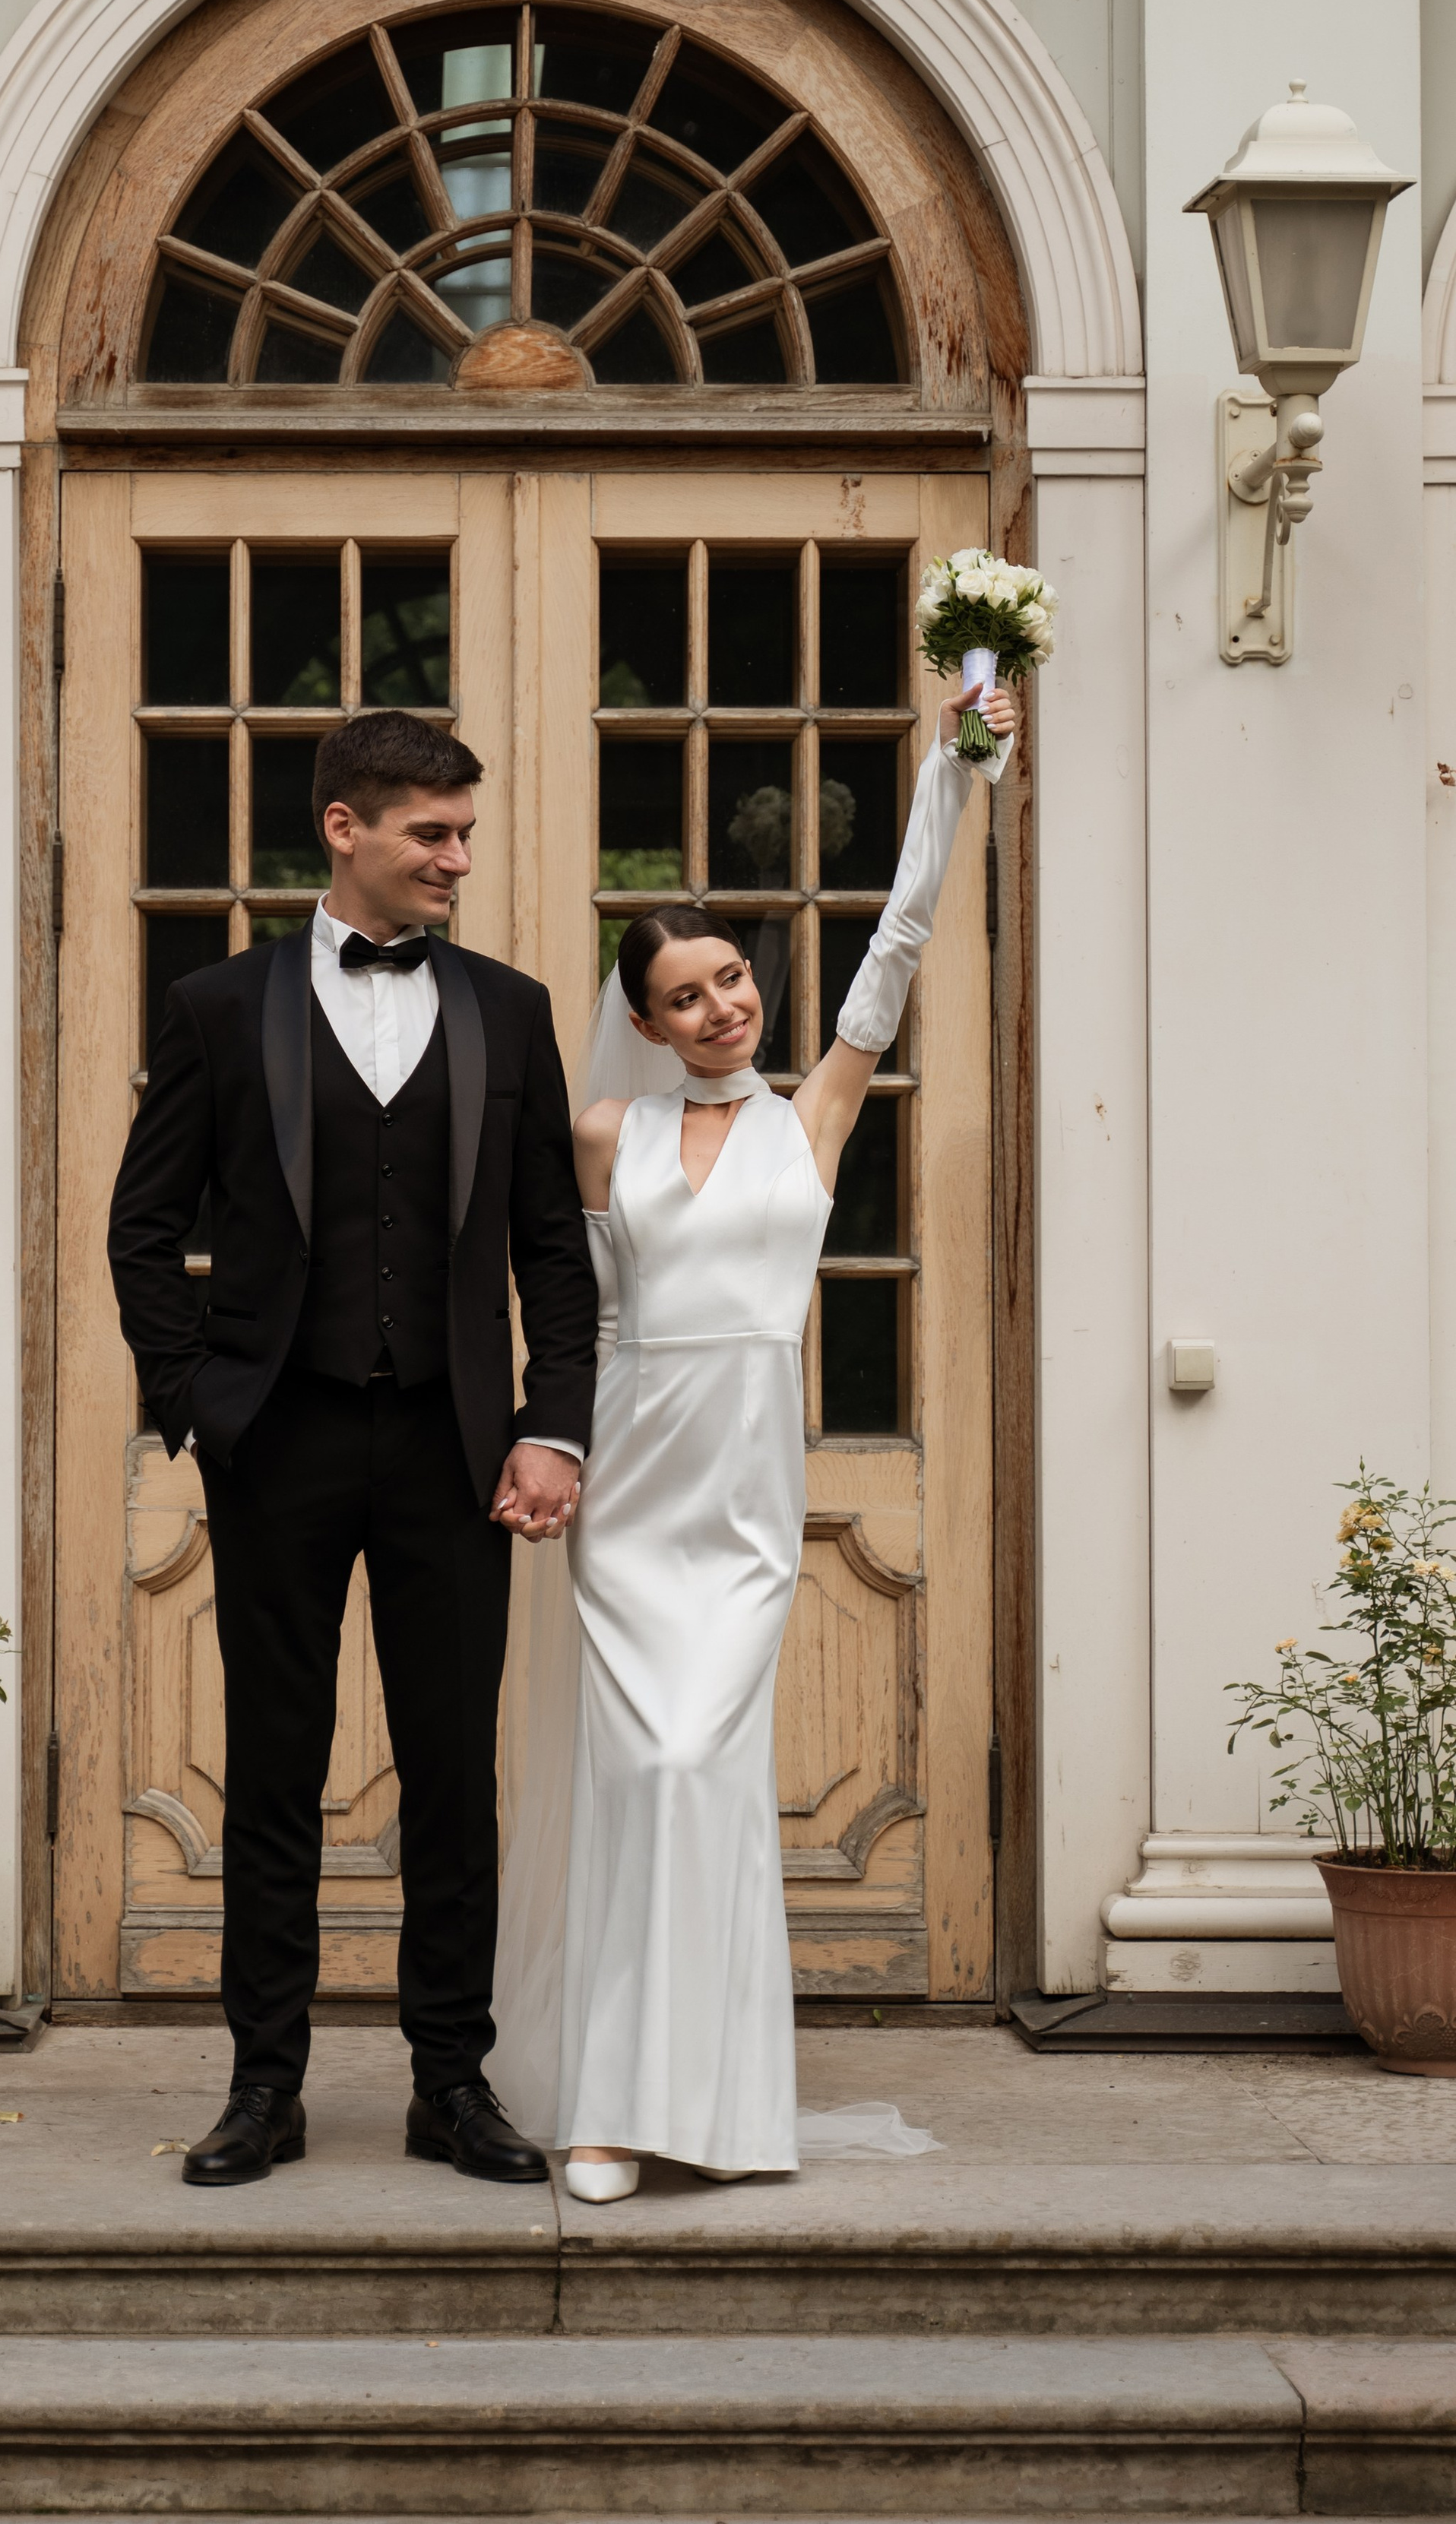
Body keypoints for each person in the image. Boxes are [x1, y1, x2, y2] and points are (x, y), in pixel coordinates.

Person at [487, 675, 1018, 2202]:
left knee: (693, 1772)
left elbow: (897, 947)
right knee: (633, 1777)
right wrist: (550, 1445)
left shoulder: (815, 1114)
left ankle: (701, 2108)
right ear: (641, 1024)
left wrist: (952, 768)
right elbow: (566, 1318)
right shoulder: (604, 1137)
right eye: (687, 996)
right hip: (627, 1492)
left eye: (731, 981)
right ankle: (606, 2106)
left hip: (739, 1495)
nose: (721, 1007)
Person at [109, 709, 599, 2190]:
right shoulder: (215, 1006)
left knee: (455, 1774)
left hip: (455, 1448)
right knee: (276, 1770)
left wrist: (551, 1424)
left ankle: (450, 2081)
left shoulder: (507, 1012)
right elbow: (144, 1229)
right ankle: (264, 2084)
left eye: (463, 833)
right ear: (344, 828)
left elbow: (550, 1252)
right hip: (280, 1441)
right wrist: (197, 1403)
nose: (458, 858)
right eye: (430, 835)